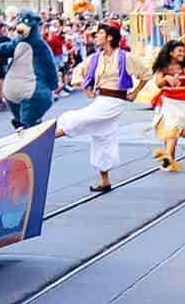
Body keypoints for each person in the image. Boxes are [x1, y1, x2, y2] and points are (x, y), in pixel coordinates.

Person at [54, 23, 151, 192]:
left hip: (115, 101)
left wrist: (135, 92)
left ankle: (54, 134)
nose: (96, 36)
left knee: (82, 117)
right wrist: (85, 88)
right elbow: (78, 70)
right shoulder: (95, 57)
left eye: (100, 33)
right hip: (101, 98)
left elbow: (145, 73)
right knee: (103, 137)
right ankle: (104, 180)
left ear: (109, 37)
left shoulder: (124, 57)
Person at [147, 38, 185, 172]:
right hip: (169, 102)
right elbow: (158, 83)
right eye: (179, 51)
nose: (182, 53)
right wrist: (168, 78)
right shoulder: (163, 67)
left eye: (184, 51)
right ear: (171, 53)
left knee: (172, 132)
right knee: (171, 130)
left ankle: (169, 159)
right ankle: (169, 158)